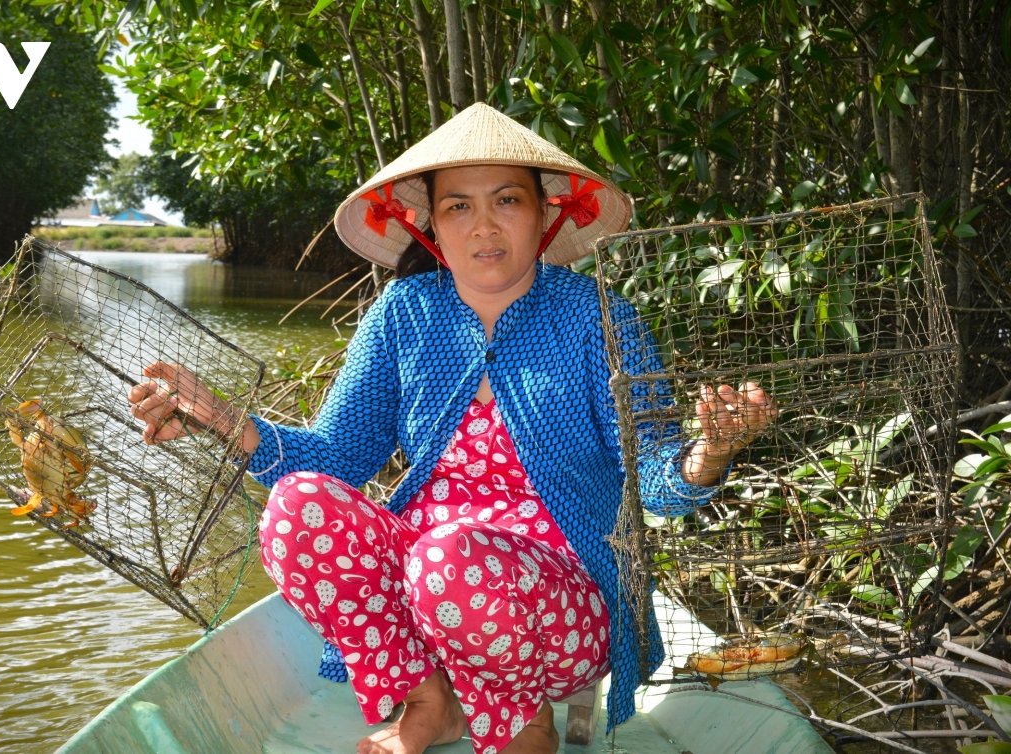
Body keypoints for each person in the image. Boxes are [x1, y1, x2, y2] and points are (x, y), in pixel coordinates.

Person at [127, 103, 776, 754]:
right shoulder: (404, 314)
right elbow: (335, 459)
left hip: (564, 614)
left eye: (507, 200)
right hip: (429, 598)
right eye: (459, 206)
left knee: (449, 557)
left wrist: (707, 453)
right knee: (297, 511)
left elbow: (657, 478)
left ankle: (526, 721)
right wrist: (226, 420)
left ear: (545, 214)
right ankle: (429, 698)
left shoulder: (599, 319)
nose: (484, 225)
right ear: (432, 223)